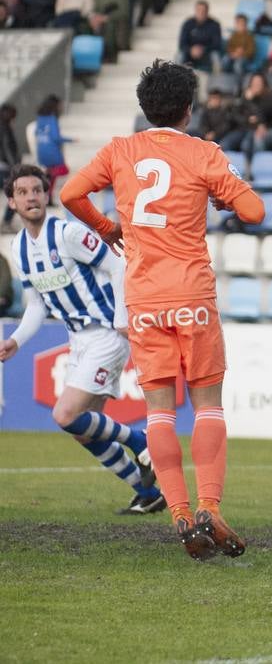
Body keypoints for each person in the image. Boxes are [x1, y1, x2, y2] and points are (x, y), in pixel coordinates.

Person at [61, 61, 265, 560]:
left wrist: (110, 230)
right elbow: (255, 211)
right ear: (188, 109)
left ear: (145, 107)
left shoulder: (120, 150)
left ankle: (177, 514)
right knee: (208, 405)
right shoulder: (204, 153)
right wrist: (225, 199)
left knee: (158, 410)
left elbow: (69, 194)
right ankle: (210, 508)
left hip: (144, 298)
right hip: (192, 293)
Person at [0, 164, 161, 514]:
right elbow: (37, 303)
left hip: (105, 333)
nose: (32, 197)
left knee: (64, 414)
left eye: (37, 191)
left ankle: (142, 441)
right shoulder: (19, 248)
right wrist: (17, 341)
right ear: (11, 202)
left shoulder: (67, 233)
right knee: (85, 430)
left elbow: (117, 266)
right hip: (78, 340)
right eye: (23, 192)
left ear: (47, 195)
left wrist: (122, 318)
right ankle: (147, 494)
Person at [34, 94, 71, 187]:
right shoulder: (52, 119)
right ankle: (47, 190)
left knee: (50, 175)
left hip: (41, 151)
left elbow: (36, 133)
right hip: (52, 152)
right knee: (63, 170)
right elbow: (56, 138)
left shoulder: (40, 118)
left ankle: (48, 195)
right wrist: (71, 140)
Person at [178, 0, 222, 73]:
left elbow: (217, 44)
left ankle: (216, 81)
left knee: (215, 56)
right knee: (179, 56)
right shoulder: (188, 24)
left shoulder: (214, 25)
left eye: (203, 10)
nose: (201, 12)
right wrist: (191, 50)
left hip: (207, 53)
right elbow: (182, 43)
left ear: (207, 11)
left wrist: (203, 49)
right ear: (195, 10)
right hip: (190, 54)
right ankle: (178, 80)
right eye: (199, 10)